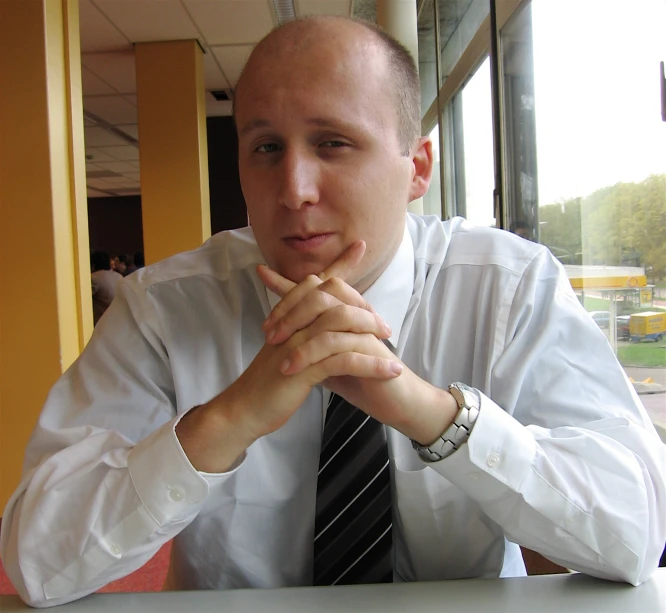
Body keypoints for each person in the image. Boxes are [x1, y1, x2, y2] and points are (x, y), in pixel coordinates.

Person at [2, 16, 665, 608]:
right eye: (266, 148)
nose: (293, 189)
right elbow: (37, 561)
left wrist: (428, 412)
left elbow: (636, 531)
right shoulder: (162, 309)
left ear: (418, 167)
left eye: (333, 143)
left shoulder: (509, 289)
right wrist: (227, 419)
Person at [90, 250, 123, 325]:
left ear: (93, 264)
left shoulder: (93, 278)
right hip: (119, 320)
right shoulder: (119, 276)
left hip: (101, 322)